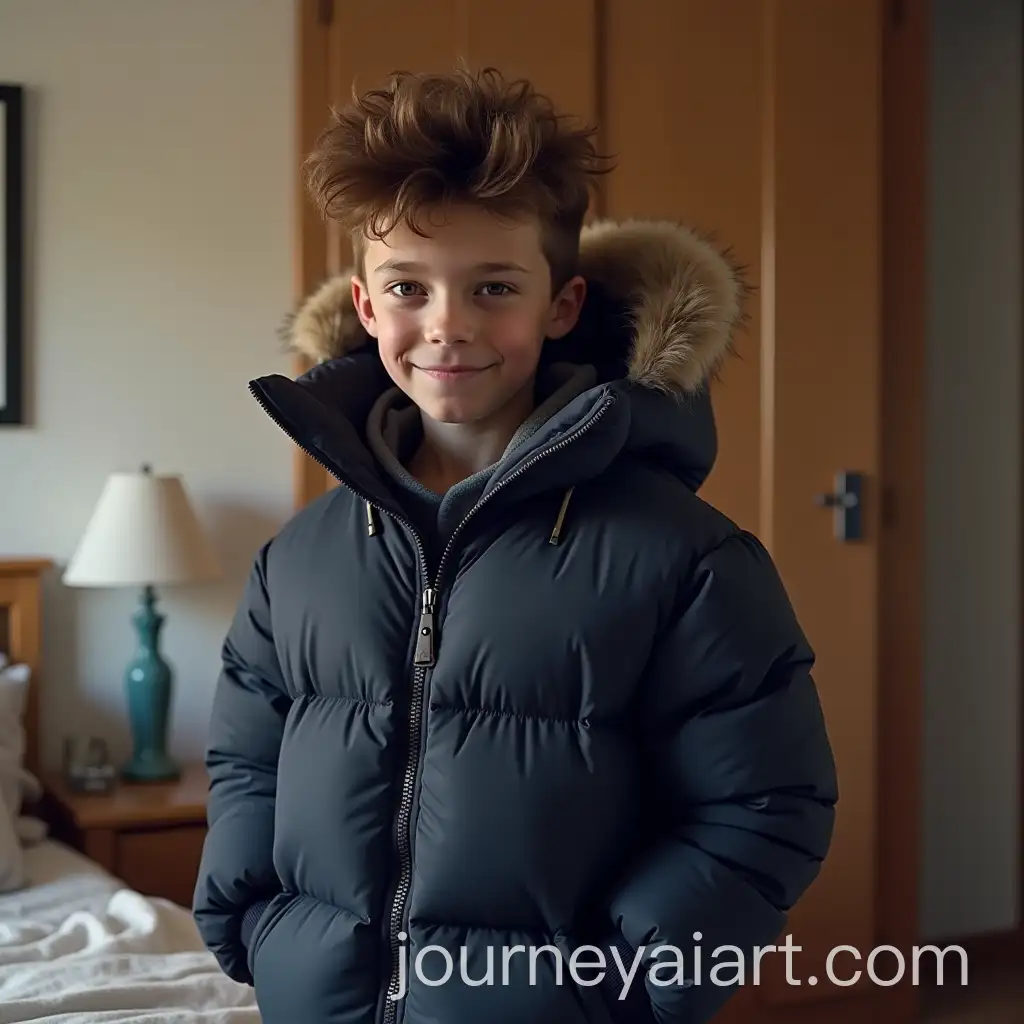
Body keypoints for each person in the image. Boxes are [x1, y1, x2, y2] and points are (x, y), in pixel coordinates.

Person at [193, 66, 838, 1024]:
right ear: (366, 311)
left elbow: (767, 802)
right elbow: (249, 763)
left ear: (562, 304)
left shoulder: (685, 558)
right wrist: (251, 923)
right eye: (408, 287)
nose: (447, 325)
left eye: (494, 286)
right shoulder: (301, 559)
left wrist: (624, 982)